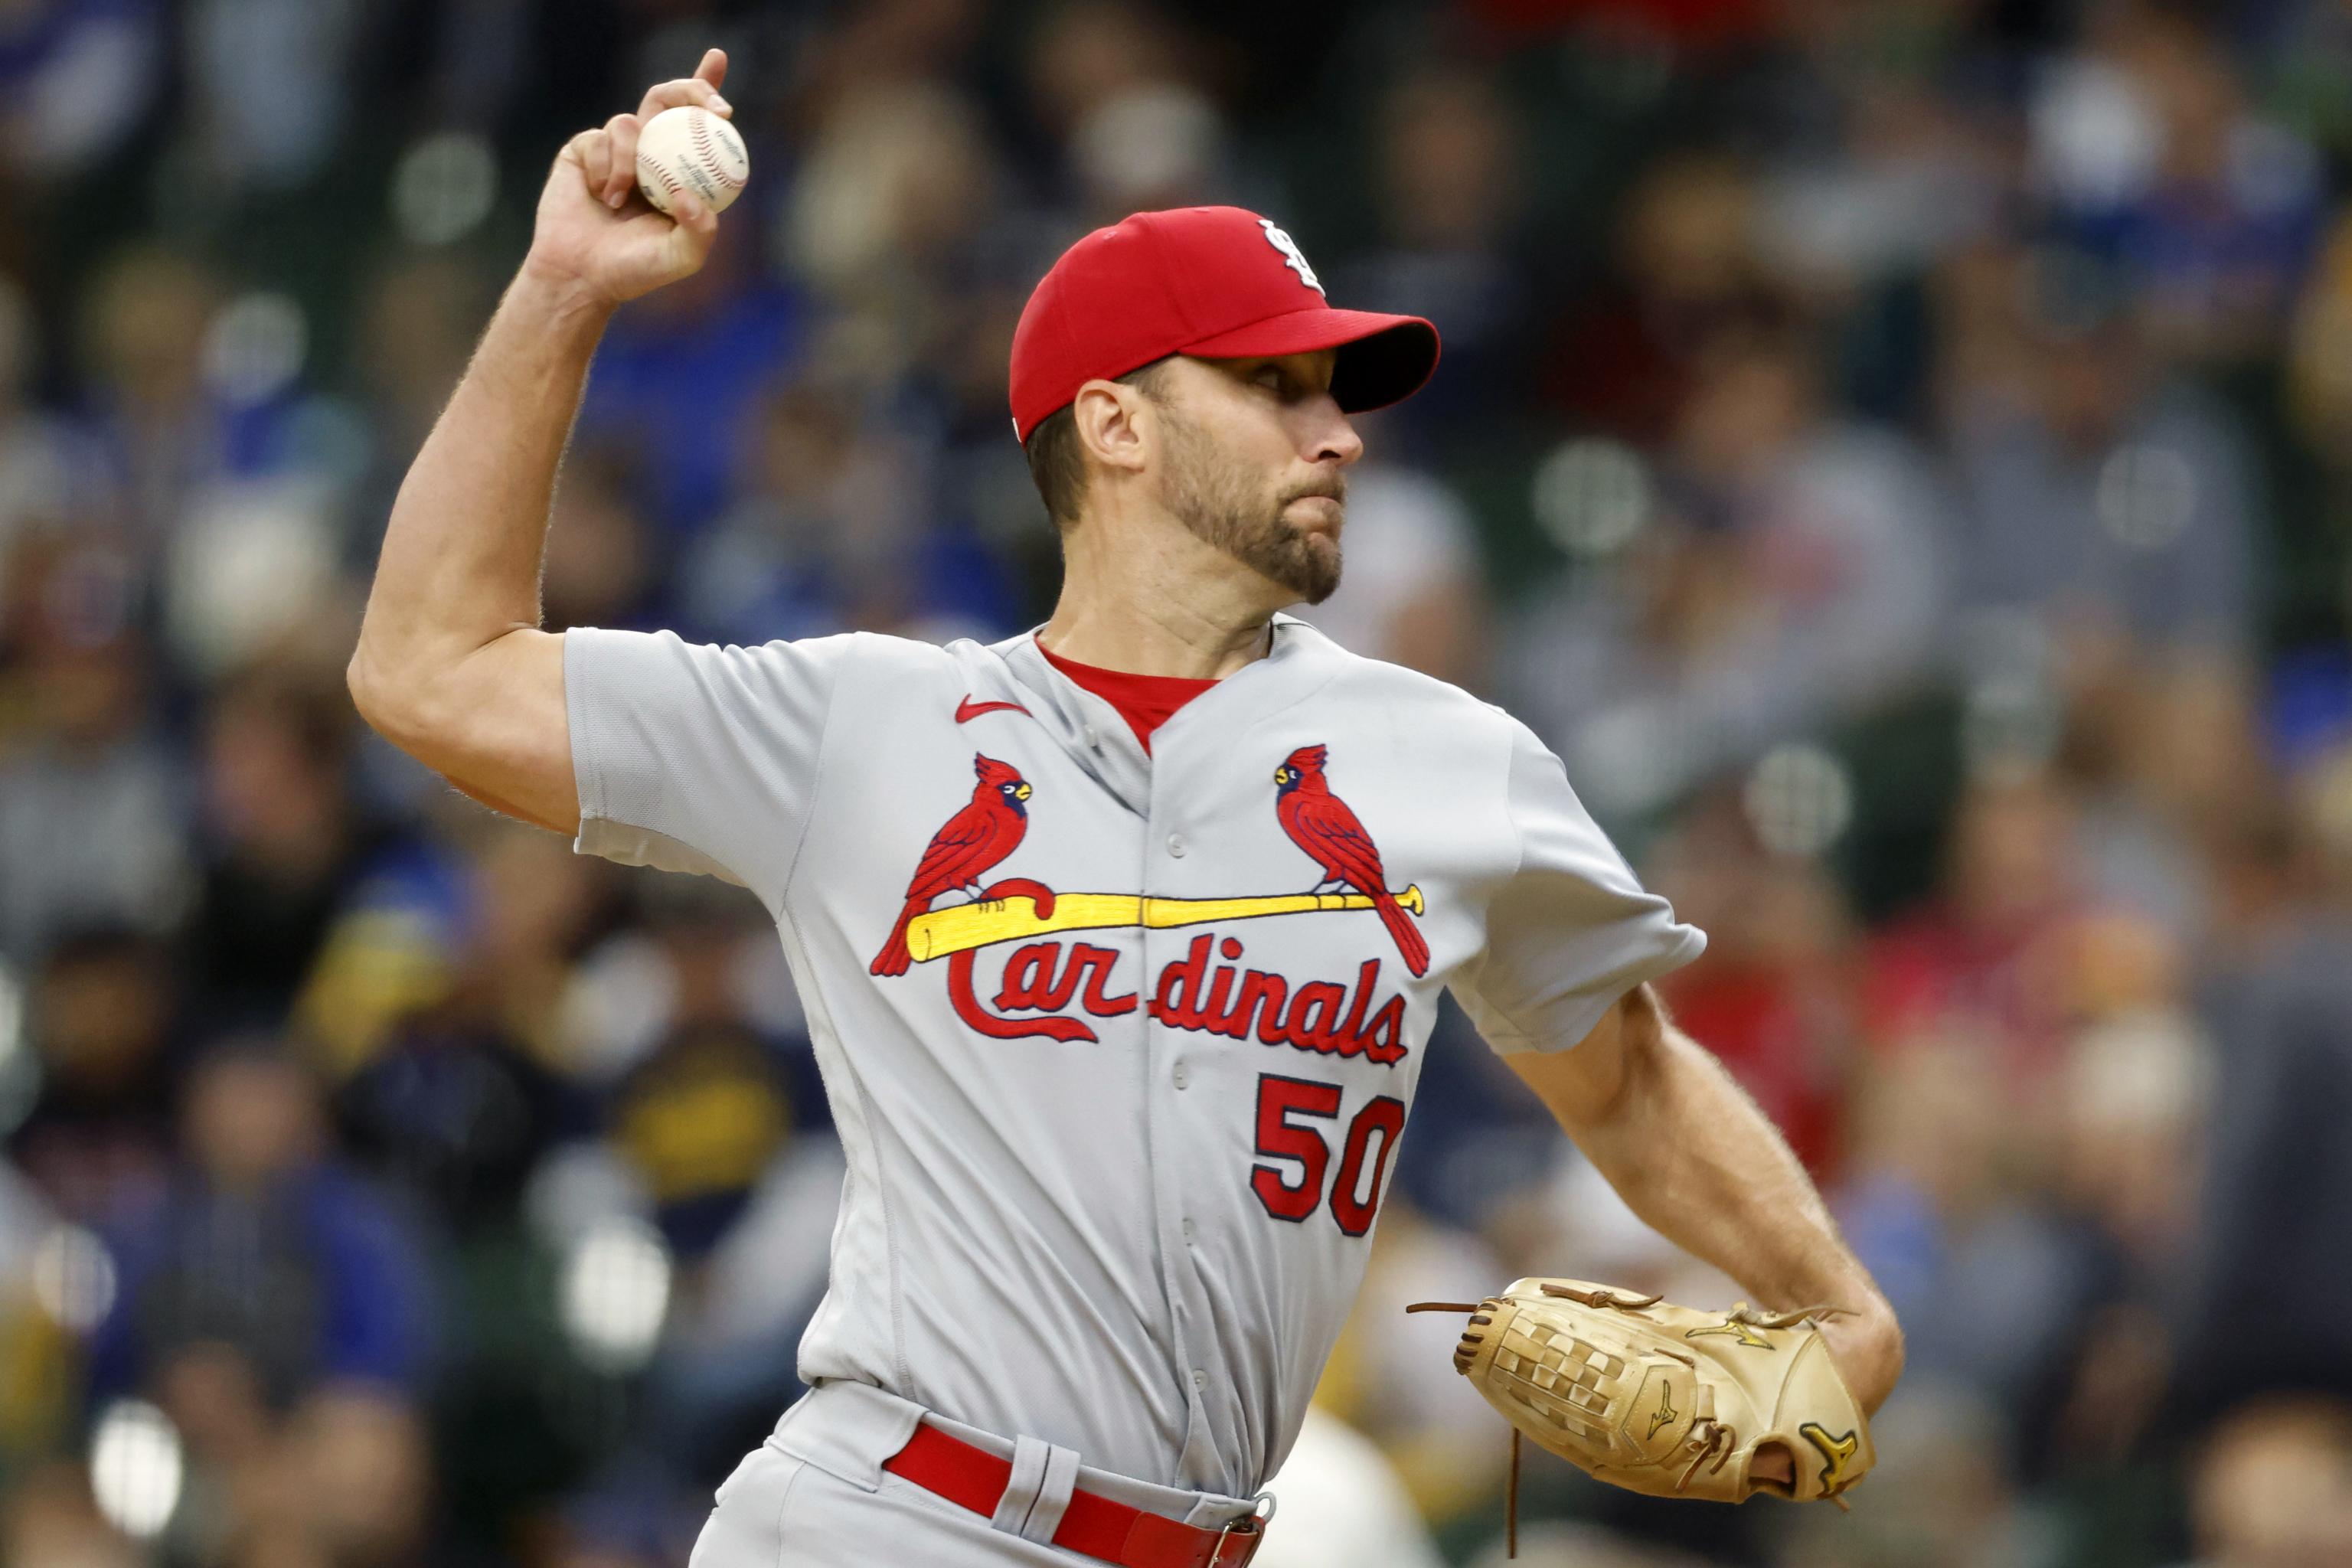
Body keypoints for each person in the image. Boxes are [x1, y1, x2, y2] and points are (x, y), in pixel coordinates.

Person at [346, 50, 1904, 1568]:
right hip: (890, 1516)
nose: (1338, 430)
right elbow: (428, 665)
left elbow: (1625, 1082)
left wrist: (1840, 1308)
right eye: (1276, 385)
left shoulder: (1454, 765)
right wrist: (561, 293)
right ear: (1115, 425)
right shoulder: (862, 725)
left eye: (1336, 392)